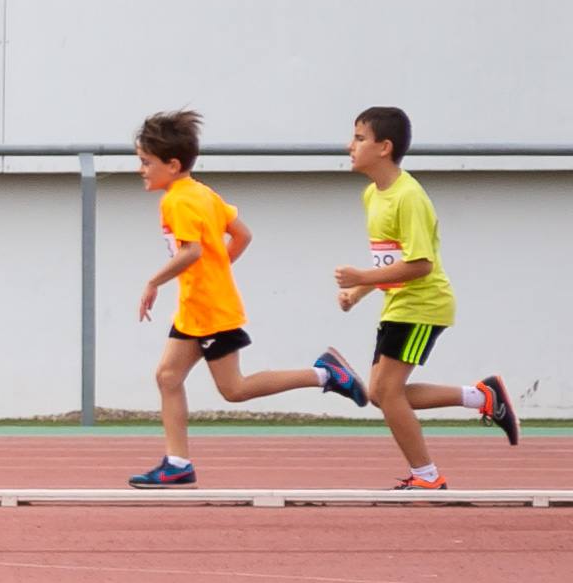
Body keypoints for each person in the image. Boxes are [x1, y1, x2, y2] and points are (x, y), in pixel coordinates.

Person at [124, 110, 352, 488]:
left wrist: (153, 282)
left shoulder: (178, 201)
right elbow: (243, 235)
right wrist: (216, 270)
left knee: (235, 389)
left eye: (146, 162)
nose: (141, 169)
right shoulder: (204, 193)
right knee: (167, 376)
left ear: (172, 164)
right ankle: (177, 463)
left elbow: (191, 252)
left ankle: (326, 374)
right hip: (197, 308)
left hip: (211, 312)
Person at [321, 106, 519, 490]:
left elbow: (421, 265)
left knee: (384, 392)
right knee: (382, 394)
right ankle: (482, 398)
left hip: (424, 304)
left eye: (359, 138)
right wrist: (359, 291)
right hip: (400, 304)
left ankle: (427, 475)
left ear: (384, 147)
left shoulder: (408, 197)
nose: (350, 145)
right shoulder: (372, 196)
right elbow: (392, 260)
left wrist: (362, 276)